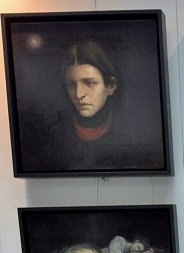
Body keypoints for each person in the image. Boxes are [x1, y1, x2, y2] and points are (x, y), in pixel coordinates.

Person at [20, 40, 164, 172]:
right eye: (71, 84)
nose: (79, 94)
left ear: (110, 86)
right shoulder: (50, 137)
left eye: (89, 83)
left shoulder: (133, 134)